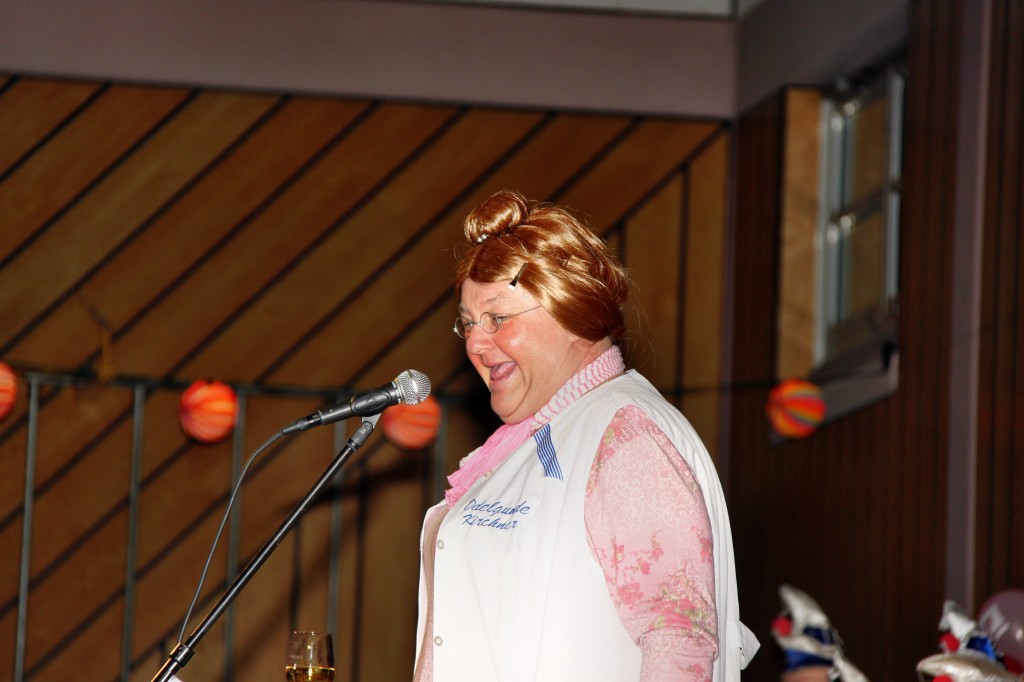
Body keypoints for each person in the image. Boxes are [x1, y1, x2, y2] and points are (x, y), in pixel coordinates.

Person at [413, 190, 758, 682]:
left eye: (497, 318)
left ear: (571, 311)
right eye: (467, 324)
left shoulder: (626, 434)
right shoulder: (531, 443)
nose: (475, 342)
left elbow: (678, 637)